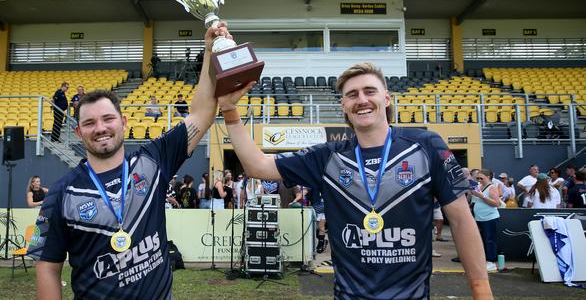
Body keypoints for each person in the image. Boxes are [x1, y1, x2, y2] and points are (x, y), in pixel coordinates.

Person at [218, 61, 491, 299]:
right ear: (344, 105)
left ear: (386, 98)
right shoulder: (327, 157)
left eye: (369, 91)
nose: (361, 99)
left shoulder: (426, 145)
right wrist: (230, 110)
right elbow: (257, 166)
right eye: (352, 95)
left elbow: (461, 220)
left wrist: (481, 290)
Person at [27, 23, 227, 299]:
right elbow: (47, 268)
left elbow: (203, 114)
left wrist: (208, 51)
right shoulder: (62, 193)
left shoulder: (153, 161)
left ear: (123, 122)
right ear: (78, 131)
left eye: (108, 118)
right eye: (89, 122)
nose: (100, 128)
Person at [470, 169, 500, 272]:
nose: (479, 180)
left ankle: (491, 262)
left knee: (489, 240)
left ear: (488, 177)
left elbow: (496, 203)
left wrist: (482, 196)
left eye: (481, 178)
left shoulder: (492, 187)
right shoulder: (480, 186)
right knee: (482, 240)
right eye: (477, 178)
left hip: (489, 218)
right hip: (480, 218)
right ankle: (485, 261)